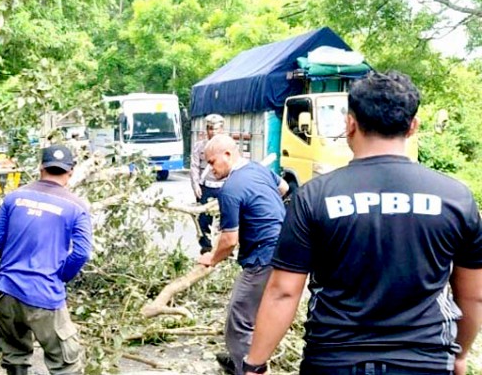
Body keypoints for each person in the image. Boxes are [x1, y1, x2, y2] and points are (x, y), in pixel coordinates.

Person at [243, 71, 482, 375]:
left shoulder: (314, 196)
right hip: (425, 361)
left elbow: (283, 291)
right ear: (412, 127)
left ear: (350, 123)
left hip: (333, 361)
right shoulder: (455, 198)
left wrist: (255, 363)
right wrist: (459, 355)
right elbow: (474, 294)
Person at [0, 144, 93, 375]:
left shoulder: (14, 198)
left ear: (40, 167)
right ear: (71, 171)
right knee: (65, 363)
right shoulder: (76, 207)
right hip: (44, 293)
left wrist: (13, 261)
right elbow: (82, 252)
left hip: (7, 289)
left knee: (15, 354)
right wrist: (61, 275)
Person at [198, 134, 289, 375]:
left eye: (211, 162)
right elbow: (284, 187)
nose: (210, 169)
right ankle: (241, 360)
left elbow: (229, 240)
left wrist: (212, 258)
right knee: (258, 312)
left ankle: (249, 369)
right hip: (284, 248)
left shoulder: (230, 189)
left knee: (238, 320)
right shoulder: (259, 170)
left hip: (263, 257)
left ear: (227, 155)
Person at [190, 114, 226, 253]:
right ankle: (206, 248)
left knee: (226, 219)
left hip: (223, 187)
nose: (213, 132)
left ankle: (223, 249)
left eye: (216, 129)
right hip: (206, 187)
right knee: (204, 220)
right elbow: (194, 166)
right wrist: (195, 185)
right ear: (207, 130)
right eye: (210, 128)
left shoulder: (227, 147)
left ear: (221, 130)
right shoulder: (200, 146)